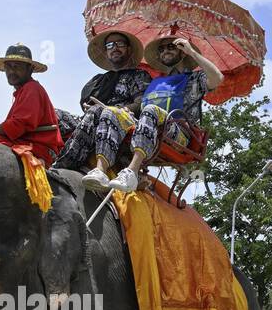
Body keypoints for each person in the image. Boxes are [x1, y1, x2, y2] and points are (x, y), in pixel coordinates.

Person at [104, 35, 222, 194]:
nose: (166, 50)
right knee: (112, 114)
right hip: (148, 130)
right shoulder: (153, 83)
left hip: (178, 135)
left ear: (182, 52)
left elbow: (217, 78)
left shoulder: (194, 79)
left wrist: (192, 52)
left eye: (172, 47)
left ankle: (131, 171)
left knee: (151, 110)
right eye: (162, 48)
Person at [54, 29, 152, 175]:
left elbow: (140, 103)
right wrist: (89, 106)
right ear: (106, 52)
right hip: (92, 119)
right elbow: (85, 101)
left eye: (120, 44)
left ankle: (65, 163)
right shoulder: (99, 79)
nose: (115, 48)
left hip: (121, 121)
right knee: (54, 114)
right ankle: (44, 156)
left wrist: (114, 109)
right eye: (110, 45)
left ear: (129, 49)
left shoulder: (139, 75)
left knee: (98, 111)